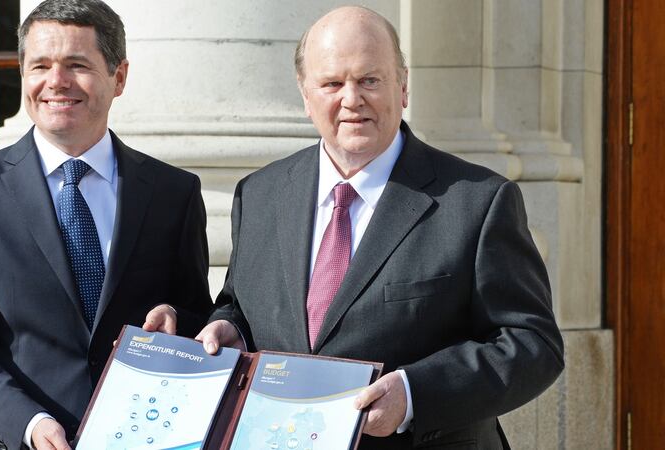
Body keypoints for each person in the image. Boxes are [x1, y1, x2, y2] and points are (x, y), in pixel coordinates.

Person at [196, 6, 564, 449]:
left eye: (370, 80)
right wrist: (227, 327)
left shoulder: (478, 201)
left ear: (403, 86)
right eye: (332, 83)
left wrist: (414, 395)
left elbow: (532, 345)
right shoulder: (258, 195)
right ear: (305, 93)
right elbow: (239, 303)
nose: (352, 99)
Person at [0, 1, 213, 449]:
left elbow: (196, 313)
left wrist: (176, 318)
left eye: (77, 64)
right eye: (40, 65)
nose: (56, 81)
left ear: (119, 77)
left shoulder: (174, 192)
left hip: (141, 436)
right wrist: (29, 422)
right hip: (11, 439)